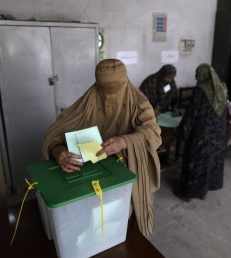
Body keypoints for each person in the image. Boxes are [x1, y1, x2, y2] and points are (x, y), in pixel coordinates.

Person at [41, 59, 162, 237]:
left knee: (122, 224)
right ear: (97, 86)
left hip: (127, 174)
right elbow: (56, 132)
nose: (110, 96)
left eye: (117, 89)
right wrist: (57, 150)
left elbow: (153, 133)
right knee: (89, 224)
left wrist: (125, 141)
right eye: (105, 90)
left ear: (125, 82)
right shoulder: (88, 100)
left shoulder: (137, 101)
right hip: (91, 176)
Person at [174, 63, 228, 202]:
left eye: (197, 74)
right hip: (218, 134)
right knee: (211, 162)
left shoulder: (200, 91)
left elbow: (192, 115)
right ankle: (203, 192)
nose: (196, 77)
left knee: (195, 162)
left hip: (201, 135)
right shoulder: (221, 88)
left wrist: (182, 131)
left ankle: (188, 194)